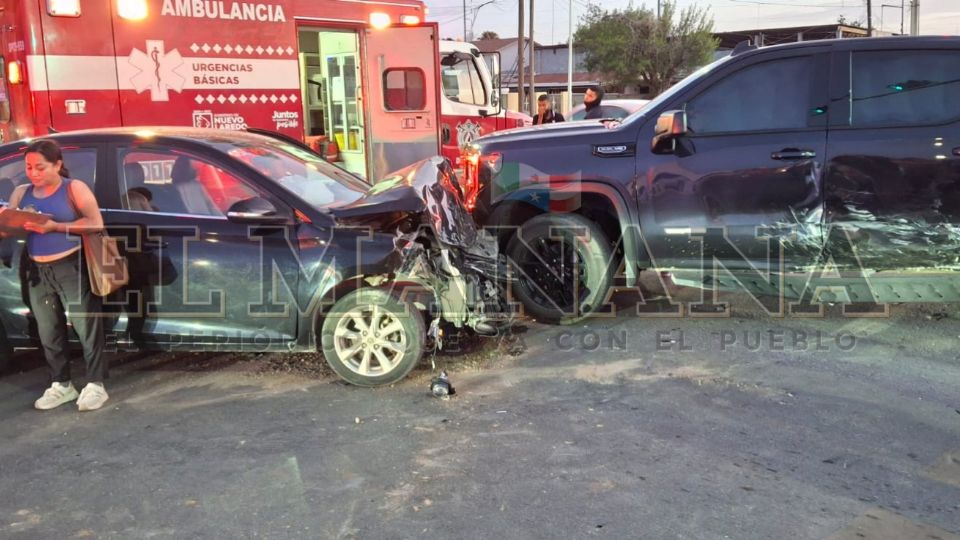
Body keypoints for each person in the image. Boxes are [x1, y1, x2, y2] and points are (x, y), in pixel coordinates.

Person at [7, 139, 109, 411]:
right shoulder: (21, 192)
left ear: (58, 165)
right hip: (37, 269)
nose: (33, 173)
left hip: (71, 265)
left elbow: (95, 222)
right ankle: (61, 384)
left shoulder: (73, 188)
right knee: (48, 329)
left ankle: (96, 383)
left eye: (40, 167)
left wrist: (54, 226)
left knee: (86, 325)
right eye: (29, 167)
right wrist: (9, 222)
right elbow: (12, 230)